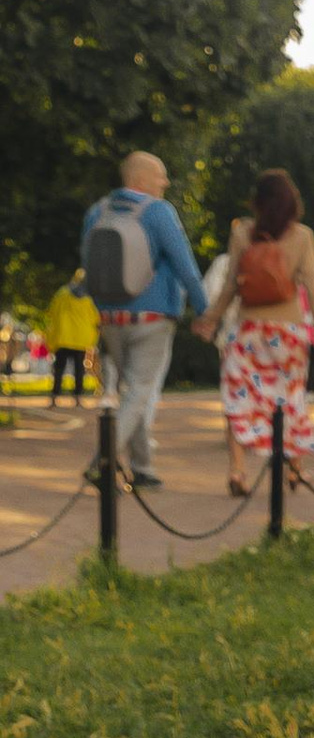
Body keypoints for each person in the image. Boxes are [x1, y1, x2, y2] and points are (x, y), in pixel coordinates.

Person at [79, 150, 209, 493]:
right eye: (160, 175)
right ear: (139, 179)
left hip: (110, 317)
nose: (165, 182)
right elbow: (185, 265)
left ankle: (143, 468)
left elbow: (87, 263)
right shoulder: (158, 212)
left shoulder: (97, 211)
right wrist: (204, 310)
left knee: (131, 391)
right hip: (152, 316)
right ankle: (102, 462)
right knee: (139, 391)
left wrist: (100, 308)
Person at [203, 167, 314, 494]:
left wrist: (211, 319)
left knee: (238, 399)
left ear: (257, 202)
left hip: (247, 329)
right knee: (289, 399)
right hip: (288, 330)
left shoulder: (242, 233)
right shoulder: (302, 236)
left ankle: (237, 470)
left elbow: (231, 284)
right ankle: (295, 469)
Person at [43, 271, 97, 406]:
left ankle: (54, 398)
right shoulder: (88, 298)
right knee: (79, 370)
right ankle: (78, 399)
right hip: (81, 339)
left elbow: (52, 313)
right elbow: (95, 318)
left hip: (63, 337)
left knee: (59, 369)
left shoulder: (62, 294)